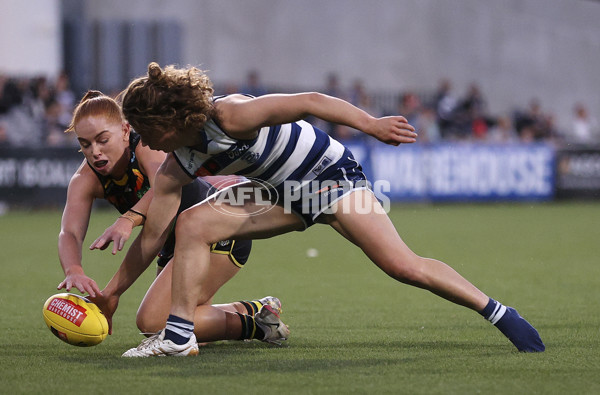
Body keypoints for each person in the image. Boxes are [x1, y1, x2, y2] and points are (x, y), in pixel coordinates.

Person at [107, 62, 544, 357]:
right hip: (276, 191)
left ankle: (501, 313)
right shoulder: (177, 164)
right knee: (193, 222)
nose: (142, 142)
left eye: (145, 131)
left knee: (402, 266)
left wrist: (371, 125)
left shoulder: (230, 115)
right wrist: (112, 294)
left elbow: (311, 101)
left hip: (328, 177)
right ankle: (180, 336)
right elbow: (151, 238)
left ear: (168, 120)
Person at [57, 90, 289, 350]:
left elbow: (163, 188)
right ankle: (257, 310)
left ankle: (260, 327)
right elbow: (70, 233)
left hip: (217, 232)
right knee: (183, 318)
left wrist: (128, 219)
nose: (95, 151)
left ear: (124, 130)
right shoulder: (84, 179)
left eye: (102, 140)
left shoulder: (146, 146)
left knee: (155, 321)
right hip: (176, 245)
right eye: (85, 144)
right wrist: (73, 269)